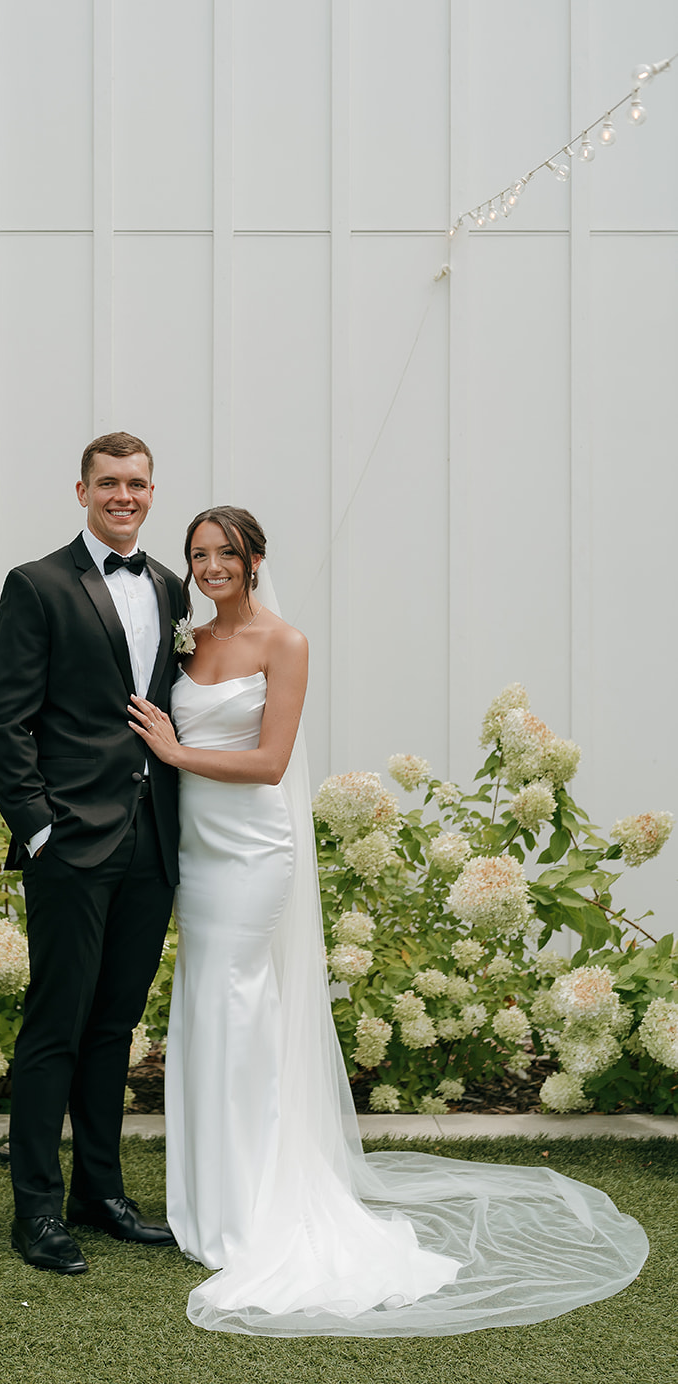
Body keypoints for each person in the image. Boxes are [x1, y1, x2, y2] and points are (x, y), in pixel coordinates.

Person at [128, 505, 649, 1336]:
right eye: (198, 555)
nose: (210, 566)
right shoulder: (189, 644)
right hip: (194, 852)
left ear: (256, 558)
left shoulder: (283, 643)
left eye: (225, 552)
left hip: (255, 852)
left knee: (241, 1007)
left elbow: (267, 764)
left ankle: (257, 1206)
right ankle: (210, 1200)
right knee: (205, 1005)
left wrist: (175, 751)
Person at [0, 431, 184, 1274]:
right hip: (70, 838)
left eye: (136, 484)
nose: (124, 497)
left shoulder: (172, 588)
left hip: (153, 839)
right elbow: (6, 718)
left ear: (149, 491)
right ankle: (36, 1210)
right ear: (81, 491)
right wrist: (36, 828)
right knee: (55, 1025)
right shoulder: (36, 585)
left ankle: (97, 1193)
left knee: (114, 1025)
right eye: (109, 484)